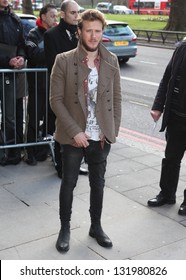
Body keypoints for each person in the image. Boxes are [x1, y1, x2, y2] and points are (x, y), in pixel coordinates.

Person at [50, 9, 122, 253]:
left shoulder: (111, 60)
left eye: (98, 31)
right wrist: (75, 132)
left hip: (101, 138)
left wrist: (112, 131)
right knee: (68, 183)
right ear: (79, 31)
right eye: (88, 30)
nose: (93, 36)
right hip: (73, 137)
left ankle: (96, 226)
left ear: (102, 32)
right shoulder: (64, 59)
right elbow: (56, 100)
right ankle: (65, 228)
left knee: (98, 184)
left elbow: (117, 99)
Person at [44, 0, 88, 178]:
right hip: (62, 90)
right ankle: (60, 166)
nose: (77, 16)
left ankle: (76, 164)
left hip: (81, 89)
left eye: (78, 13)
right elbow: (52, 65)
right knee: (61, 128)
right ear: (63, 14)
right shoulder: (51, 35)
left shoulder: (80, 34)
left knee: (79, 127)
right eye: (73, 13)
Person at [147, 40, 186, 216]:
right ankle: (167, 194)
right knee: (171, 159)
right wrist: (158, 105)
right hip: (177, 117)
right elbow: (167, 78)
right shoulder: (181, 48)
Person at [25, 4, 58, 165]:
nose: (55, 19)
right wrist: (52, 49)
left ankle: (44, 150)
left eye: (56, 16)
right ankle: (29, 152)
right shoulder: (33, 34)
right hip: (37, 84)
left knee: (50, 120)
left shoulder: (55, 34)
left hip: (53, 85)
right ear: (43, 16)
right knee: (34, 119)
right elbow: (33, 55)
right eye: (52, 15)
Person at [0, 0, 26, 165]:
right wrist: (7, 61)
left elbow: (21, 44)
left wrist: (21, 58)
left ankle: (10, 153)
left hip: (9, 75)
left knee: (9, 116)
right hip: (6, 67)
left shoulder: (15, 19)